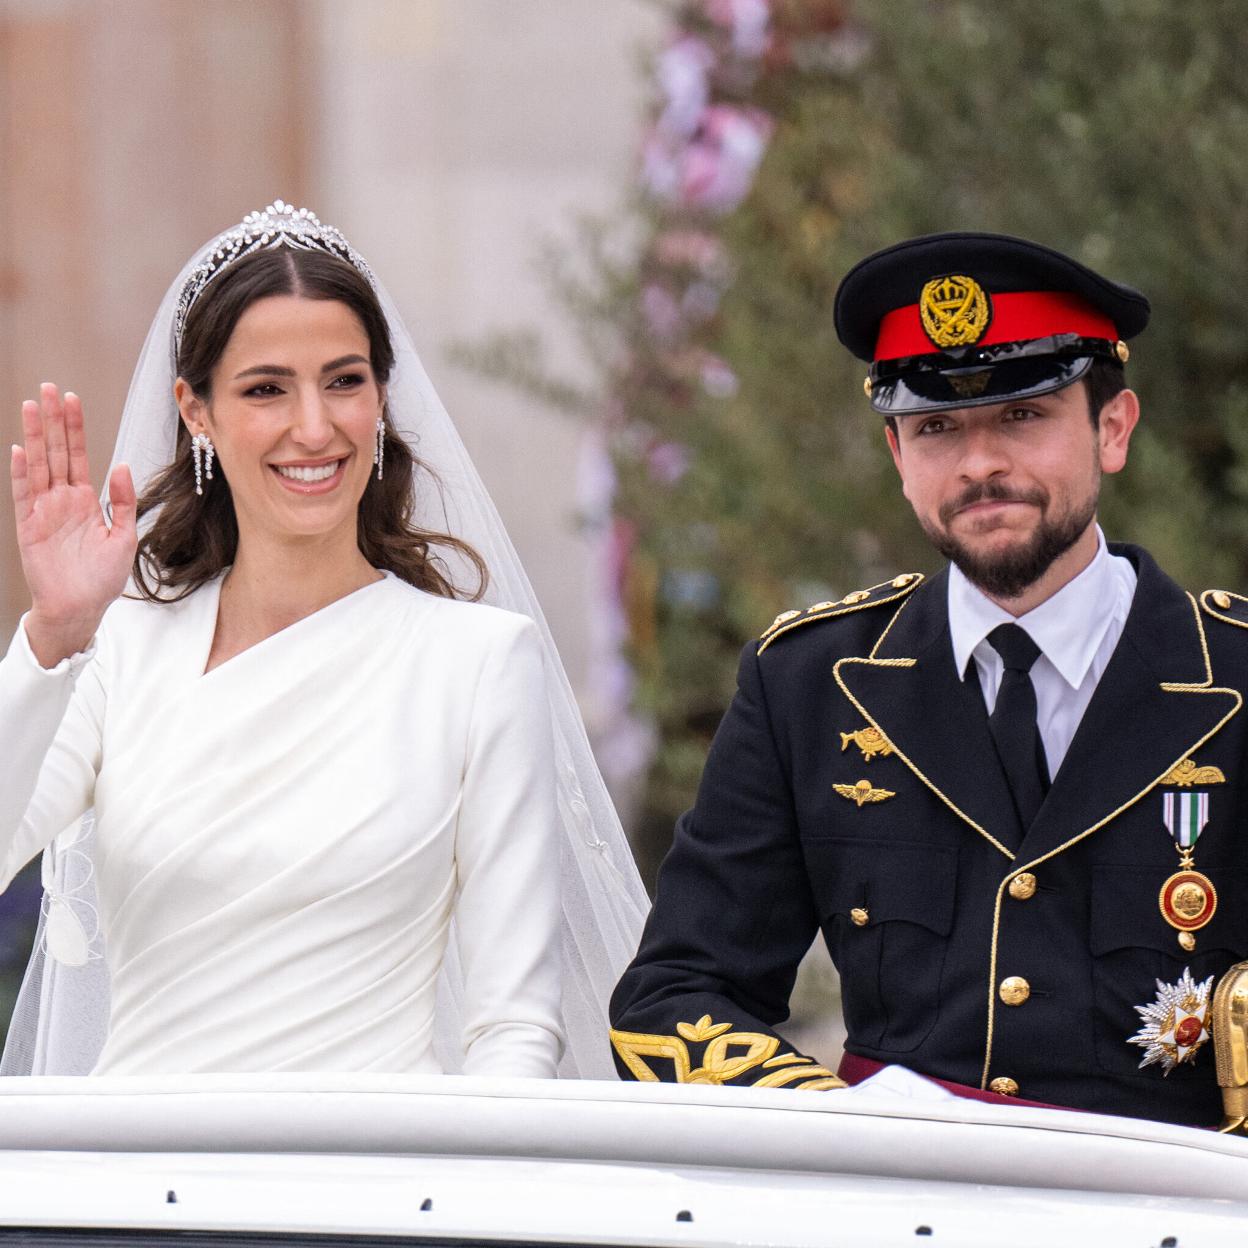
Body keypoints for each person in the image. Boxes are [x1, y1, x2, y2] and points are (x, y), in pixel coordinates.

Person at [609, 231, 1248, 1126]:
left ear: (1113, 428)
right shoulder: (810, 684)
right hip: (899, 1204)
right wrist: (836, 1128)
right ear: (897, 455)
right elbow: (675, 993)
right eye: (937, 427)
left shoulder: (1235, 677)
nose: (980, 463)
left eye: (1023, 416)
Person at [1, 202, 648, 1078]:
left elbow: (514, 1030)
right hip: (137, 1186)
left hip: (374, 1192)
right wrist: (55, 634)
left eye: (344, 380)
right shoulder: (121, 651)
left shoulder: (481, 661)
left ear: (383, 394)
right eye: (267, 388)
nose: (315, 427)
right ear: (196, 410)